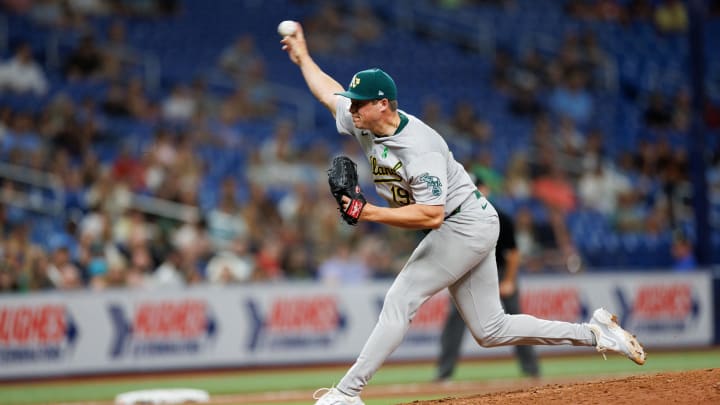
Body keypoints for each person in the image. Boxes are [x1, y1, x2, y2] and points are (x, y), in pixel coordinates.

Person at [279, 22, 646, 405]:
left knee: (401, 299)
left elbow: (432, 216)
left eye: (359, 102)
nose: (350, 107)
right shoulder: (363, 122)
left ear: (383, 104)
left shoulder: (419, 148)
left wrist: (368, 212)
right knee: (491, 329)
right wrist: (304, 58)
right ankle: (596, 333)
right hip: (469, 221)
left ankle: (347, 393)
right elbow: (328, 92)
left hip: (460, 222)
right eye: (352, 102)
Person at [436, 176, 539, 381]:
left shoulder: (501, 217)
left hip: (500, 271)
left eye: (477, 188)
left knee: (516, 318)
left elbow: (513, 254)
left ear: (486, 190)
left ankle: (531, 371)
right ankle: (444, 374)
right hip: (468, 273)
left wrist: (509, 281)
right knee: (454, 320)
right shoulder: (456, 219)